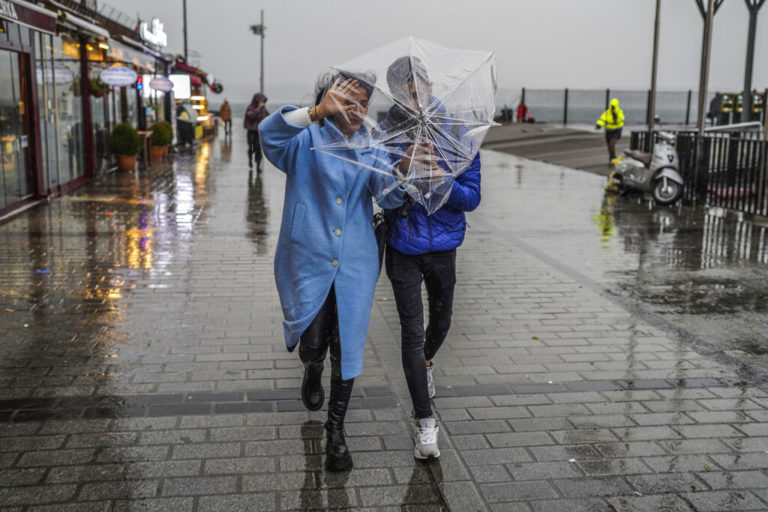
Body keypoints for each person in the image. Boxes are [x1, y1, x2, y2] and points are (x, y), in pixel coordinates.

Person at [259, 74, 406, 471]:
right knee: (314, 342)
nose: (358, 111)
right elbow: (269, 137)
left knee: (348, 347)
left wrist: (404, 170)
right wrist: (314, 112)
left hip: (356, 262)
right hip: (308, 255)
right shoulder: (306, 139)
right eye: (349, 102)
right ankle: (311, 367)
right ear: (330, 101)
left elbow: (388, 195)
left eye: (364, 103)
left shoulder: (371, 146)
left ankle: (336, 432)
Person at [380, 56, 482, 461]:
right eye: (403, 88)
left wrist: (441, 182)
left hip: (443, 247)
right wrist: (404, 173)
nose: (412, 94)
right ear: (395, 93)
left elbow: (472, 197)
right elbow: (377, 191)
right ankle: (425, 423)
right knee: (411, 330)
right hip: (402, 245)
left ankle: (426, 363)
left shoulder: (457, 133)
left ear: (430, 85)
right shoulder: (384, 133)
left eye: (417, 85)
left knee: (440, 323)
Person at [595, 98, 625, 163]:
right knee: (609, 145)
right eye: (611, 106)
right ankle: (611, 157)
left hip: (617, 130)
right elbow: (602, 119)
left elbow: (620, 119)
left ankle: (613, 156)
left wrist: (614, 116)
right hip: (608, 131)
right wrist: (598, 125)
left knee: (612, 144)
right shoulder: (607, 113)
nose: (612, 108)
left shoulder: (619, 112)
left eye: (613, 106)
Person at [244, 93, 269, 170]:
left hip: (259, 133)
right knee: (251, 148)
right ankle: (250, 160)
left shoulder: (263, 109)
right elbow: (250, 116)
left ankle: (258, 166)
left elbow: (268, 117)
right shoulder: (250, 108)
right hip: (251, 132)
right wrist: (258, 109)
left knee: (259, 149)